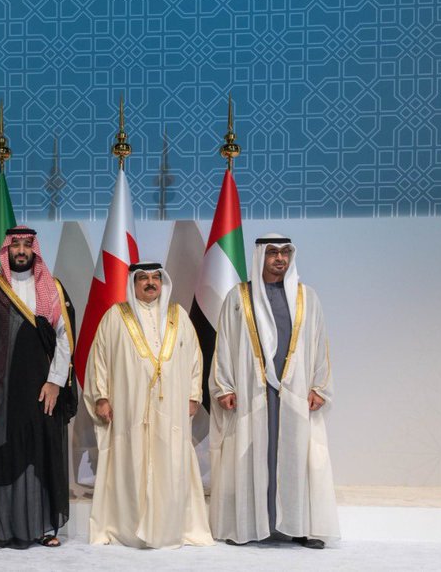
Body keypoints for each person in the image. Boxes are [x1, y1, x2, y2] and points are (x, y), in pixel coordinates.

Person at [209, 234, 338, 548]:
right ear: (260, 256)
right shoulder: (239, 297)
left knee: (296, 456)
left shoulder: (307, 297)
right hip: (252, 392)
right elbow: (224, 343)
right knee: (252, 454)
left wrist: (319, 387)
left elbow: (319, 342)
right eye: (272, 252)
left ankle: (299, 527)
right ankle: (248, 527)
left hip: (295, 393)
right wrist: (224, 386)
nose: (280, 258)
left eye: (284, 252)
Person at [84, 262, 213, 548]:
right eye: (143, 278)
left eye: (156, 277)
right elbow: (99, 360)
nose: (150, 283)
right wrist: (101, 397)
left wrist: (193, 396)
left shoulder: (178, 316)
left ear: (163, 282)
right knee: (132, 462)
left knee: (170, 464)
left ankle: (169, 527)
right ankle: (130, 528)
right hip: (129, 408)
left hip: (172, 409)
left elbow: (195, 358)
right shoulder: (115, 317)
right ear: (133, 283)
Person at [0, 226, 77, 548]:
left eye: (28, 244)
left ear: (35, 249)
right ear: (7, 250)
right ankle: (2, 527)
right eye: (16, 245)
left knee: (40, 455)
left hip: (41, 391)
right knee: (3, 456)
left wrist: (55, 382)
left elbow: (65, 339)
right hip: (0, 394)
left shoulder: (53, 289)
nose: (22, 250)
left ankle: (43, 527)